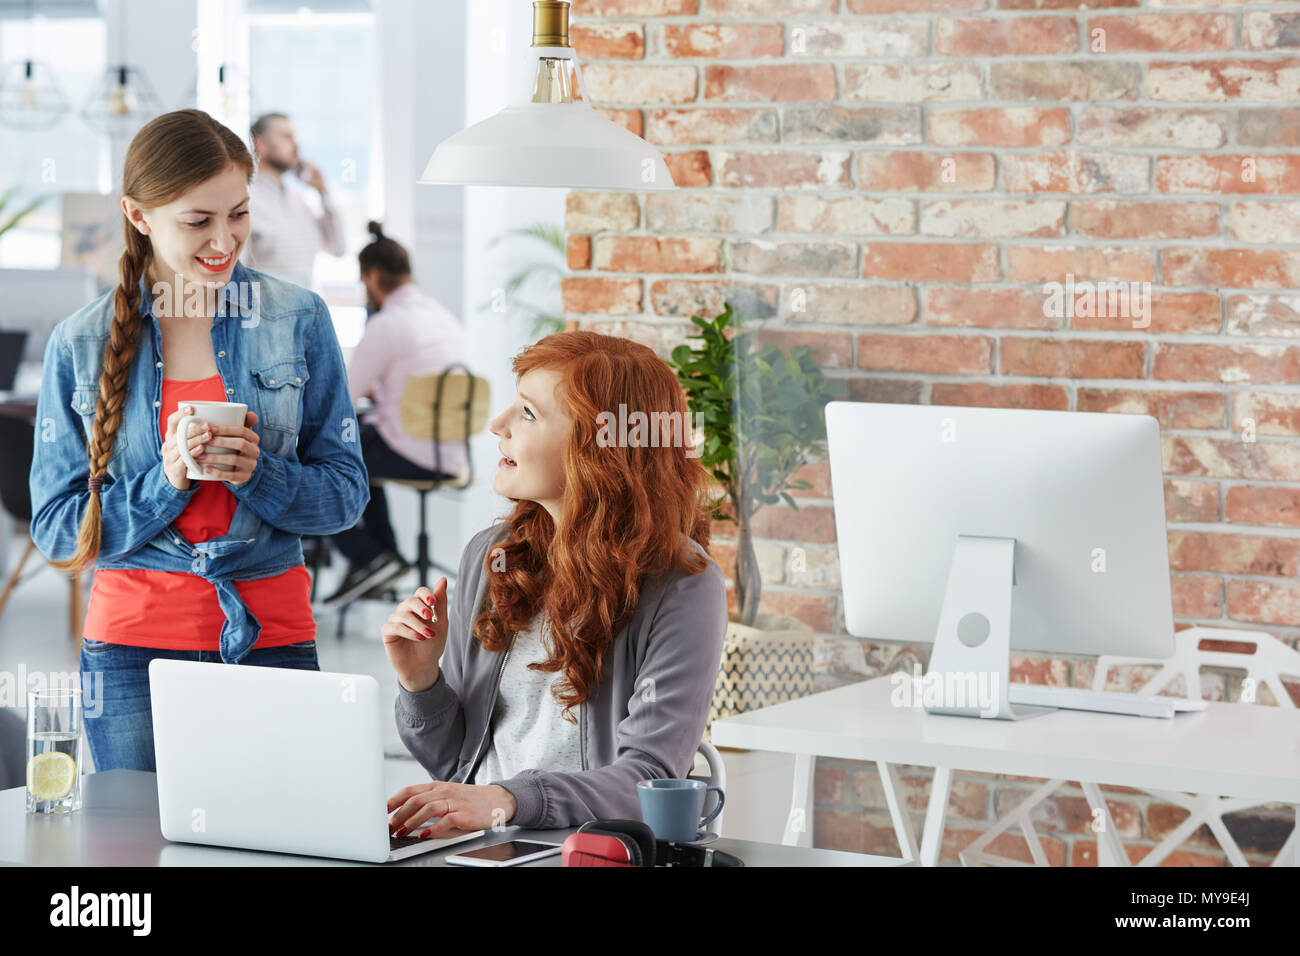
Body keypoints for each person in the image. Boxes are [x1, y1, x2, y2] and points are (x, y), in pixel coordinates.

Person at [28, 109, 368, 773]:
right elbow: (58, 530)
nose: (225, 239)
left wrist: (260, 474)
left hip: (274, 636)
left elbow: (346, 496)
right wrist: (167, 479)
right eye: (198, 221)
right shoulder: (80, 343)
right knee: (138, 854)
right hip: (130, 654)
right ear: (138, 215)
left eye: (238, 214)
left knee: (280, 843)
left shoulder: (299, 318)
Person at [381, 331, 728, 835]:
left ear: (597, 445)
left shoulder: (681, 584)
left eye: (527, 413)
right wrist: (420, 681)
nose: (497, 425)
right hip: (481, 844)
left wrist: (509, 800)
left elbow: (650, 778)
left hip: (591, 848)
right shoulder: (492, 555)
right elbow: (456, 765)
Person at [321, 222, 468, 608]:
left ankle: (371, 557)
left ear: (372, 276)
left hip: (413, 453)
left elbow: (342, 397)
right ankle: (383, 559)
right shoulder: (442, 316)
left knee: (325, 458)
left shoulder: (387, 324)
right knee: (362, 448)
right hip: (451, 453)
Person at [243, 112, 345, 287]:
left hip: (305, 309)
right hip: (261, 310)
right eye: (286, 137)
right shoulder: (245, 200)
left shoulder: (299, 201)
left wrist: (323, 192)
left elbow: (338, 248)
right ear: (260, 144)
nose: (296, 144)